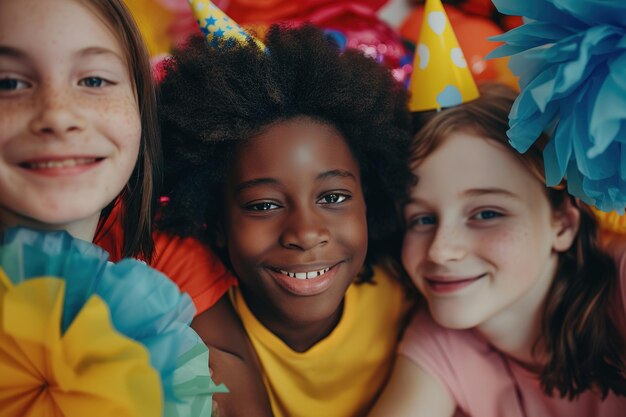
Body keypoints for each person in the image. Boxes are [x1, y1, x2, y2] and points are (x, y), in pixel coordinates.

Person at [156, 24, 415, 417]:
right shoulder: (200, 344)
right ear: (217, 221)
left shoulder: (411, 303)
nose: (306, 233)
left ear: (369, 199)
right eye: (263, 205)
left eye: (333, 197)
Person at [369, 83, 626, 417]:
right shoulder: (440, 337)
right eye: (421, 219)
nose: (440, 251)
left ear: (562, 223)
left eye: (487, 214)